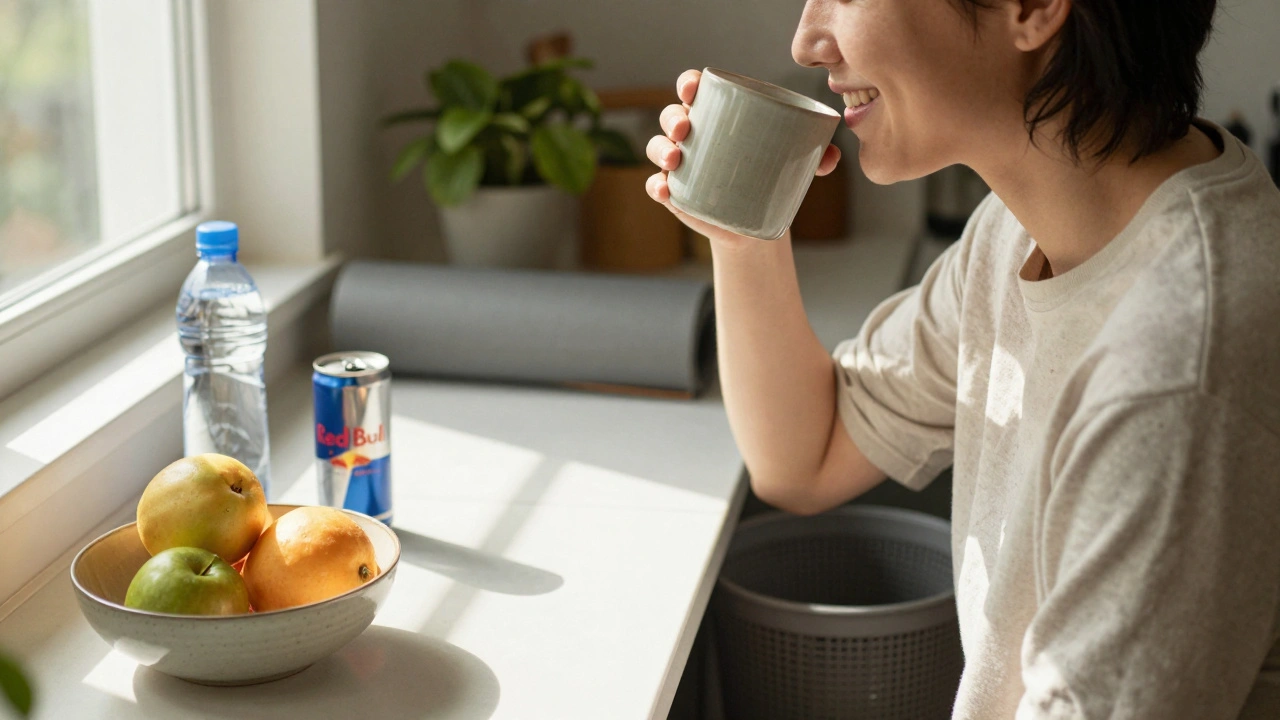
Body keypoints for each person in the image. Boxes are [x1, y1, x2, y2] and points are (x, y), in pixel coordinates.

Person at [646, 0, 1280, 717]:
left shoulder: (1174, 372)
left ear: (1034, 9)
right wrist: (743, 229)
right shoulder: (1016, 234)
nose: (806, 42)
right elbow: (806, 456)